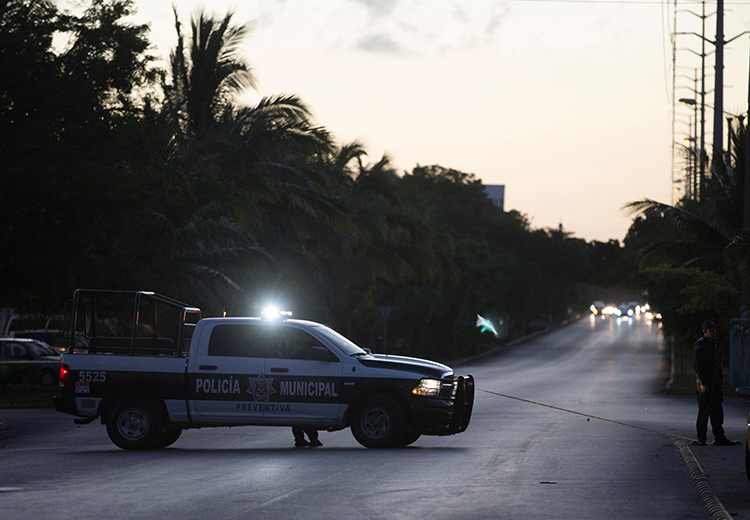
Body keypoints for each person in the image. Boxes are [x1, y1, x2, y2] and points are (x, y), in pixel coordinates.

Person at [693, 320, 734, 446]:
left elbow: (717, 362)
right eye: (711, 330)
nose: (714, 332)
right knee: (705, 409)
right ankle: (701, 438)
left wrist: (721, 377)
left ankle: (719, 436)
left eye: (714, 330)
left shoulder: (715, 343)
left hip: (715, 380)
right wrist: (702, 383)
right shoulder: (700, 345)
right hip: (706, 381)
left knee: (717, 409)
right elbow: (698, 366)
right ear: (705, 332)